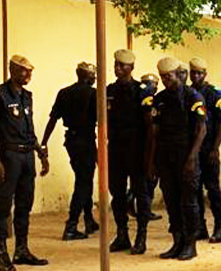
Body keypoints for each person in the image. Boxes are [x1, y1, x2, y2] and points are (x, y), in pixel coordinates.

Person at [0, 54, 50, 271]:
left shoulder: (27, 96)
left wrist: (41, 152)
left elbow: (29, 129)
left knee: (24, 204)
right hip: (8, 156)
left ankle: (21, 249)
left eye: (30, 72)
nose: (28, 75)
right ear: (12, 70)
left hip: (26, 156)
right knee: (3, 205)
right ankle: (1, 253)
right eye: (23, 71)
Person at [147, 56, 207, 260]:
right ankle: (177, 241)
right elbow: (155, 132)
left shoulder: (193, 97)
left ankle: (191, 244)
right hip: (166, 156)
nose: (166, 80)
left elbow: (201, 130)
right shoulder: (159, 99)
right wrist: (152, 161)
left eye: (169, 76)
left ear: (178, 74)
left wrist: (192, 158)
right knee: (171, 201)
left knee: (188, 202)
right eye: (163, 77)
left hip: (186, 155)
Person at [41, 61, 99, 241]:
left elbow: (52, 120)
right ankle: (71, 225)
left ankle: (89, 219)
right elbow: (102, 120)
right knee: (83, 182)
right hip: (86, 140)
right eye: (93, 76)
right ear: (88, 76)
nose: (94, 79)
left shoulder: (64, 92)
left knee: (84, 178)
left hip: (71, 142)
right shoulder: (93, 94)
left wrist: (44, 143)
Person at [104, 50, 154, 255]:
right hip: (116, 147)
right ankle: (122, 234)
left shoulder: (142, 90)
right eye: (116, 64)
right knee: (117, 193)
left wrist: (149, 155)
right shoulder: (109, 90)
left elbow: (149, 124)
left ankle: (141, 236)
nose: (117, 68)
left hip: (136, 147)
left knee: (141, 193)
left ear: (131, 68)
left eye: (122, 65)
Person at [187, 58, 221, 243]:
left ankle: (219, 226)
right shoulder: (188, 93)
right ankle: (200, 227)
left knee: (212, 189)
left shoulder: (214, 94)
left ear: (205, 74)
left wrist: (215, 148)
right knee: (195, 191)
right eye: (193, 72)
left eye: (199, 73)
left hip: (208, 147)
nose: (195, 76)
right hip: (193, 149)